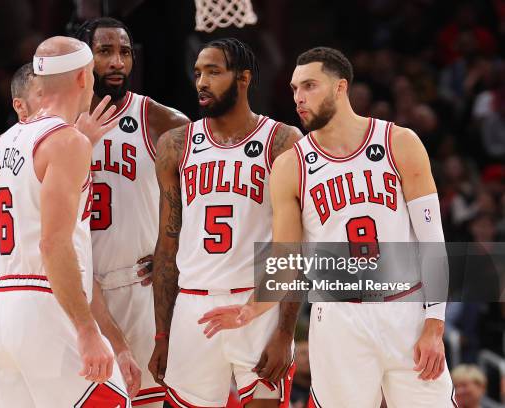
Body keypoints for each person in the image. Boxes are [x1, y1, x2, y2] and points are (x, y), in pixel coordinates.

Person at [199, 47, 455, 407]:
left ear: (340, 88)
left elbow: (433, 242)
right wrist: (251, 308)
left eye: (309, 86)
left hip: (404, 310)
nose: (299, 98)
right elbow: (286, 259)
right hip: (337, 319)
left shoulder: (400, 142)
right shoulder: (291, 166)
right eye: (293, 89)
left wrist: (435, 322)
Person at [149, 38, 302, 408]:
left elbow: (294, 246)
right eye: (198, 73)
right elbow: (167, 246)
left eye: (213, 72)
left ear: (244, 78)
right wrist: (163, 335)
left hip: (257, 303)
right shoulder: (175, 145)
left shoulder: (282, 141)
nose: (201, 82)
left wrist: (284, 332)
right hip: (193, 306)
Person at [0, 36, 130, 407]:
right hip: (46, 306)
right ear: (83, 78)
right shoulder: (66, 142)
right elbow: (53, 244)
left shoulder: (3, 142)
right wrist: (86, 329)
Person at [74, 17, 190, 406]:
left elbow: (203, 200)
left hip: (139, 288)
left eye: (124, 52)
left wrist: (177, 255)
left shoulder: (160, 121)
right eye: (105, 51)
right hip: (81, 293)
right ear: (83, 59)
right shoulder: (59, 125)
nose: (117, 62)